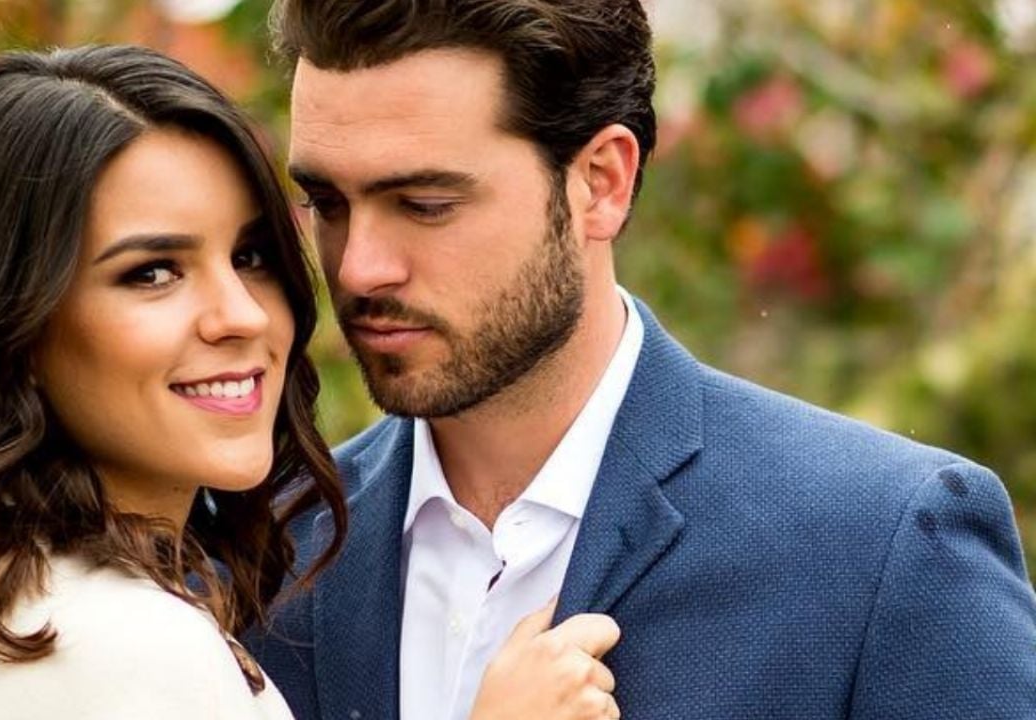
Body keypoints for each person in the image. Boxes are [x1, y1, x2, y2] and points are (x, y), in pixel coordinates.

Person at [244, 2, 1036, 719]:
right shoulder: (259, 549)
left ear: (602, 183)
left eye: (426, 205)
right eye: (327, 204)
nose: (360, 268)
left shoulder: (882, 546)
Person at [0, 45, 620, 720]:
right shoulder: (127, 647)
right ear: (12, 324)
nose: (240, 315)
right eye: (152, 272)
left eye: (251, 256)